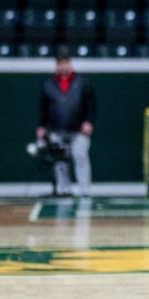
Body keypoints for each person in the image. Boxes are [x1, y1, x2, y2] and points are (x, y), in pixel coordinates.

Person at [37, 55, 96, 196]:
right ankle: (64, 190)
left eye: (65, 62)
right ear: (56, 65)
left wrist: (89, 121)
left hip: (79, 130)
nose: (62, 65)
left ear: (69, 63)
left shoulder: (82, 82)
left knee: (80, 156)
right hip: (57, 129)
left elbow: (91, 104)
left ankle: (85, 191)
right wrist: (42, 126)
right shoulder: (49, 84)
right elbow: (43, 107)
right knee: (60, 160)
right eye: (59, 63)